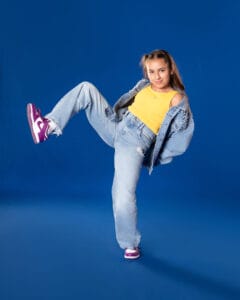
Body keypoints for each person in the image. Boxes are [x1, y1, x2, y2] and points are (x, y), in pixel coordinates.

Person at [26, 49, 194, 260]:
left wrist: (153, 155)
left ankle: (130, 244)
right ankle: (47, 126)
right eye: (151, 71)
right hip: (117, 127)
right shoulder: (144, 86)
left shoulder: (176, 98)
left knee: (122, 194)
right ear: (146, 72)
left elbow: (181, 137)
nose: (157, 76)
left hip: (134, 144)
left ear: (171, 70)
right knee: (86, 89)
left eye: (161, 70)